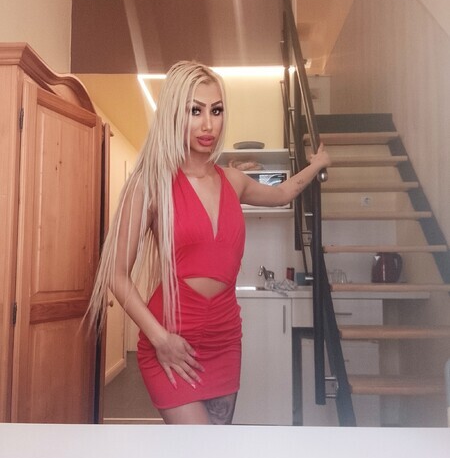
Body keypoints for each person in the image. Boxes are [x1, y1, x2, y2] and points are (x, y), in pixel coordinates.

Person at [89, 61, 330, 425]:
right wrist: (160, 339)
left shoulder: (233, 181)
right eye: (195, 111)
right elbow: (116, 274)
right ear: (174, 115)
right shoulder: (150, 184)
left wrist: (317, 164)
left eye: (216, 111)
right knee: (198, 447)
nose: (208, 125)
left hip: (225, 340)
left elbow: (283, 193)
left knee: (215, 451)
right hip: (170, 341)